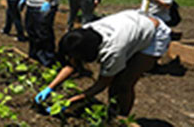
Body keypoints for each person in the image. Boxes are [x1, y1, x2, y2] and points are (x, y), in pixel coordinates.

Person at [34, 10, 171, 118]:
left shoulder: (112, 51)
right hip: (132, 25)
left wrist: (72, 101)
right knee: (117, 80)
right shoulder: (85, 33)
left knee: (123, 84)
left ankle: (122, 118)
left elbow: (102, 84)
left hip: (155, 34)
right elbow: (72, 65)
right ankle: (113, 113)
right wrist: (50, 88)